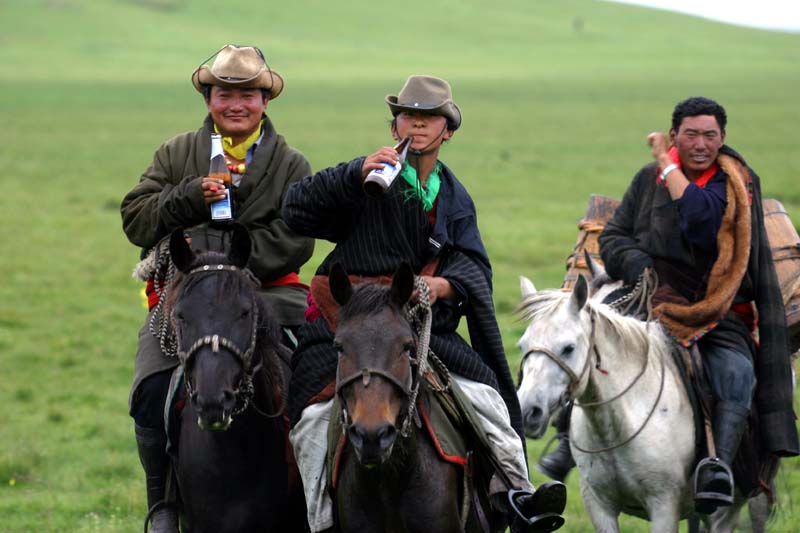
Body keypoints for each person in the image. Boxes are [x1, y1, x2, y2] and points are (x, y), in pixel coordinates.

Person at [283, 75, 567, 533]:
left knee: (488, 400)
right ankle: (319, 519)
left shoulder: (455, 200)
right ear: (394, 126)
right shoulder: (365, 178)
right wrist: (352, 173)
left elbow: (474, 266)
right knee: (313, 419)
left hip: (417, 324)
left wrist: (444, 287)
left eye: (427, 117)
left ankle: (517, 495)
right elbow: (295, 210)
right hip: (349, 321)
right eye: (407, 116)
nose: (416, 124)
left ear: (447, 130)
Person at [536, 96, 799, 513]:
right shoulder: (647, 179)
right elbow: (615, 235)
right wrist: (641, 268)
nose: (700, 143)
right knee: (591, 343)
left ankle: (717, 466)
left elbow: (701, 220)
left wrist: (667, 162)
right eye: (690, 134)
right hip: (649, 295)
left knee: (737, 369)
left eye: (709, 135)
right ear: (675, 134)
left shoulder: (733, 183)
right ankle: (569, 442)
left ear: (723, 139)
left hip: (714, 303)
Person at [120, 44, 314, 532]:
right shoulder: (177, 152)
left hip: (267, 291)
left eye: (247, 94)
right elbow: (136, 219)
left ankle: (321, 491)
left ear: (264, 101)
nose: (236, 104)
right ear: (208, 98)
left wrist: (231, 264)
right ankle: (164, 501)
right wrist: (188, 196)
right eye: (224, 93)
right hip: (188, 295)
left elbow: (296, 237)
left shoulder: (291, 164)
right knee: (151, 388)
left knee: (320, 380)